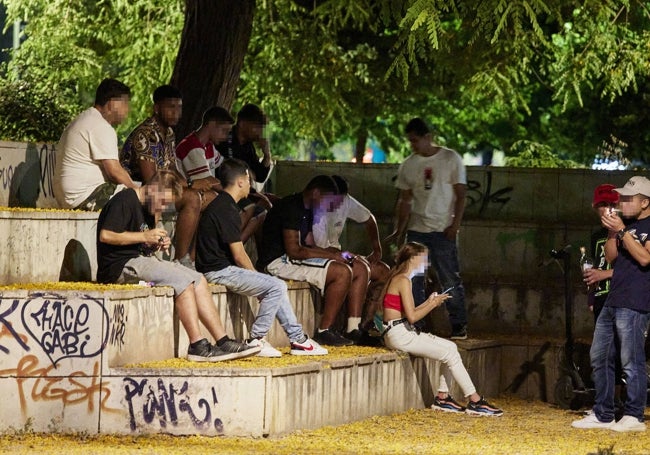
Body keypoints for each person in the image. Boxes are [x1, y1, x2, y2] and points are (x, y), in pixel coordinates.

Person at [96, 169, 260, 362]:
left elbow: (141, 243)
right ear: (153, 189)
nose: (163, 208)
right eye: (163, 201)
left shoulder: (148, 208)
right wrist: (144, 236)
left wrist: (155, 243)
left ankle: (222, 340)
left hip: (139, 260)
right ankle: (197, 345)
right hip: (119, 265)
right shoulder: (124, 200)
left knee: (198, 278)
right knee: (182, 281)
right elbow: (106, 235)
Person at [196, 159, 327, 357]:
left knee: (274, 286)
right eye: (249, 180)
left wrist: (260, 282)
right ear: (241, 181)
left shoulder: (224, 204)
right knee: (276, 286)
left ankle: (298, 339)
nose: (251, 185)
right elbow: (239, 255)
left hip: (222, 269)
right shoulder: (225, 208)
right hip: (218, 272)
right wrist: (258, 279)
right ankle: (257, 338)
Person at [380, 241, 503, 416]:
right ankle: (475, 400)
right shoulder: (402, 280)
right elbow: (413, 317)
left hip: (401, 330)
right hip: (400, 334)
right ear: (413, 259)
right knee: (450, 353)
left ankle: (443, 397)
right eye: (423, 259)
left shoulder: (401, 279)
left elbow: (410, 314)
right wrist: (433, 304)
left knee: (451, 348)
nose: (426, 264)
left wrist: (430, 302)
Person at [572, 176, 650, 432]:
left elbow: (645, 259)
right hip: (614, 298)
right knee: (600, 355)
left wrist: (623, 232)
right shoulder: (624, 224)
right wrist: (612, 229)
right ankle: (603, 412)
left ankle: (634, 415)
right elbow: (611, 256)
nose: (622, 203)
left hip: (635, 300)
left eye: (629, 199)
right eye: (622, 198)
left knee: (631, 359)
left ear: (645, 202)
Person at [385, 117, 468, 339]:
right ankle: (416, 323)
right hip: (417, 228)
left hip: (442, 228)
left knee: (449, 277)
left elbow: (461, 195)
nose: (413, 145)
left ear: (427, 138)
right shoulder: (409, 164)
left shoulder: (450, 159)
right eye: (410, 141)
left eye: (416, 140)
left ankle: (458, 324)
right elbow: (405, 200)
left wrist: (455, 224)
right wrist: (399, 229)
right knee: (414, 279)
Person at [257, 175, 356, 347]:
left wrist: (336, 253)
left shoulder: (308, 209)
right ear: (316, 193)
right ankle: (324, 331)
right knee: (342, 272)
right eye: (327, 200)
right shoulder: (291, 207)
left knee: (352, 266)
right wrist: (332, 257)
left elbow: (309, 244)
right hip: (278, 262)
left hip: (289, 259)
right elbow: (295, 251)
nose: (327, 205)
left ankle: (350, 328)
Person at [120, 85, 203, 264]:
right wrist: (188, 189)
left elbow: (172, 168)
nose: (176, 112)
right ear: (157, 108)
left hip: (164, 187)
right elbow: (152, 181)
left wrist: (190, 184)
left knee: (209, 198)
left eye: (179, 107)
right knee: (193, 199)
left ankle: (195, 258)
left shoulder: (169, 133)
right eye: (171, 107)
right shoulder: (145, 134)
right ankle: (181, 259)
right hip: (142, 192)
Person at [175, 106, 266, 267]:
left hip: (205, 193)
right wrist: (232, 190)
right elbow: (206, 181)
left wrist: (243, 175)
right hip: (187, 193)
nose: (225, 136)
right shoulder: (192, 146)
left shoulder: (208, 147)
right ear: (211, 125)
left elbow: (225, 167)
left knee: (254, 209)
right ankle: (192, 257)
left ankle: (229, 252)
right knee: (223, 203)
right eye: (224, 131)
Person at [312, 174, 390, 342]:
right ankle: (351, 328)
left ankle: (366, 325)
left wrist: (376, 248)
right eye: (337, 199)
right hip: (323, 255)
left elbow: (369, 219)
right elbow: (319, 247)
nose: (340, 203)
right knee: (360, 267)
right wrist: (346, 255)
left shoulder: (346, 201)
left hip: (339, 254)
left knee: (383, 271)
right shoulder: (319, 210)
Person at [54, 78, 138, 210]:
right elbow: (114, 172)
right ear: (112, 104)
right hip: (84, 197)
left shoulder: (86, 118)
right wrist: (138, 192)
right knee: (136, 198)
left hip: (71, 197)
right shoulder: (100, 126)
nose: (127, 111)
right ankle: (146, 231)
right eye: (125, 104)